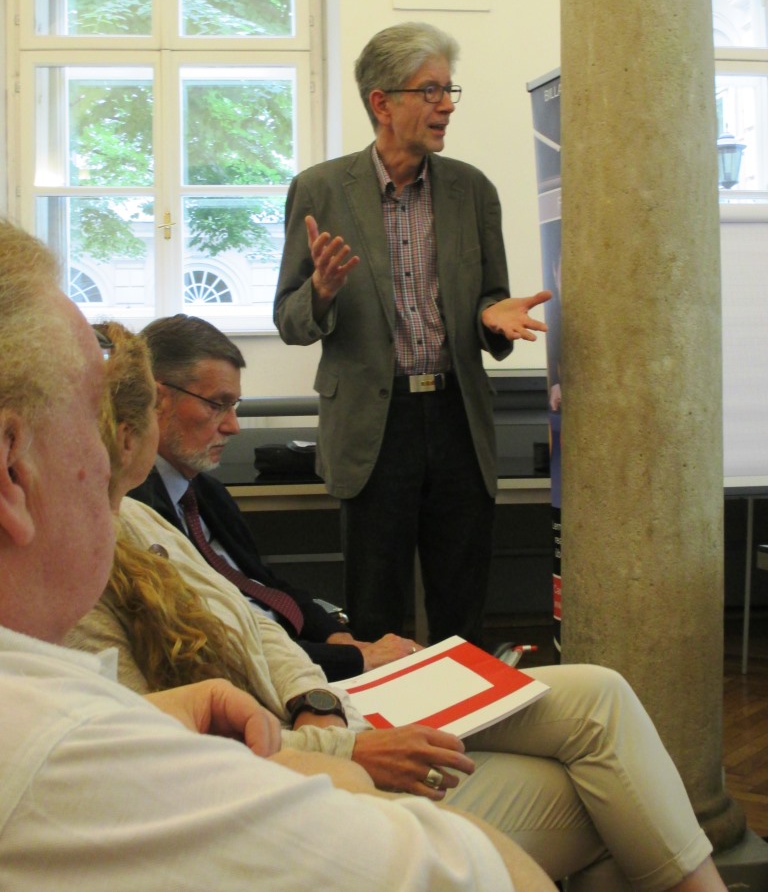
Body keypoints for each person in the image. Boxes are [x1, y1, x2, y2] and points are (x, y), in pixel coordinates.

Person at [68, 319, 729, 891]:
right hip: (296, 777)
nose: (233, 426)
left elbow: (255, 612)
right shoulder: (90, 558)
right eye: (218, 405)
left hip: (317, 714)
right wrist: (345, 739)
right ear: (133, 421)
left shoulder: (136, 517)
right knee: (606, 793)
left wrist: (318, 690)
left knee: (603, 699)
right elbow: (173, 753)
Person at [0, 218, 557, 892]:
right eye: (91, 416)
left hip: (299, 717)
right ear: (12, 469)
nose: (110, 455)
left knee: (591, 719)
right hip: (303, 744)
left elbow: (253, 606)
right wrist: (343, 755)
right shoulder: (62, 743)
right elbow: (476, 873)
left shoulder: (155, 529)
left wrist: (312, 692)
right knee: (568, 782)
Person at [274, 21, 552, 647]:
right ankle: (385, 711)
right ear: (382, 102)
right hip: (374, 425)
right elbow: (289, 318)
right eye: (430, 90)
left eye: (449, 90)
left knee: (461, 607)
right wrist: (320, 292)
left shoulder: (471, 190)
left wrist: (491, 316)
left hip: (457, 418)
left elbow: (491, 296)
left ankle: (469, 708)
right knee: (375, 613)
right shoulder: (321, 190)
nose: (446, 105)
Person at [129, 312, 419, 682]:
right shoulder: (132, 513)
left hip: (297, 657)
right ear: (158, 398)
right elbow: (209, 645)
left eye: (234, 405)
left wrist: (333, 635)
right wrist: (354, 660)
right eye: (216, 404)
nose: (233, 426)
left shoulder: (204, 493)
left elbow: (264, 585)